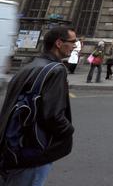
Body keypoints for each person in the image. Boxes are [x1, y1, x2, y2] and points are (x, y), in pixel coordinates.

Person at [0, 25, 76, 186]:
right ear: (58, 43)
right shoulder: (55, 70)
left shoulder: (28, 66)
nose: (75, 46)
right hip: (34, 149)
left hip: (12, 145)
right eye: (72, 41)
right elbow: (53, 116)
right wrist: (68, 130)